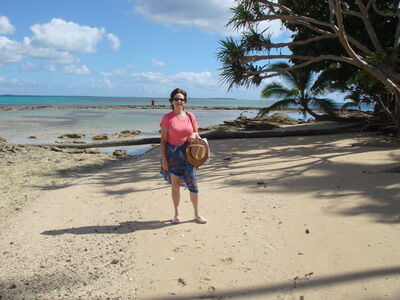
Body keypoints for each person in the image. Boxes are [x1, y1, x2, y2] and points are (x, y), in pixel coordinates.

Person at [160, 88, 207, 224]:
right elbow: (163, 141)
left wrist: (193, 134)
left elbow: (196, 133)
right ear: (172, 101)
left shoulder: (190, 116)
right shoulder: (167, 118)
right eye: (176, 99)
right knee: (175, 185)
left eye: (181, 99)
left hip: (189, 155)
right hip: (172, 156)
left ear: (185, 102)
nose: (179, 101)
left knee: (194, 185)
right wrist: (164, 159)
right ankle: (176, 214)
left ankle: (197, 214)